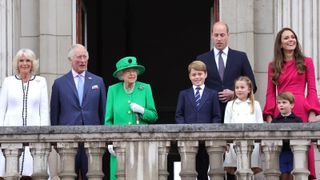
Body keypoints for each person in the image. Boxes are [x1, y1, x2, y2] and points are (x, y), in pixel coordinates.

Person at [263, 27, 320, 179]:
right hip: (280, 111)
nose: (291, 40)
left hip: (301, 109)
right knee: (282, 158)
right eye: (286, 38)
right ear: (280, 44)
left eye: (292, 37)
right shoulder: (273, 65)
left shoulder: (307, 62)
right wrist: (269, 115)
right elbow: (270, 92)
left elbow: (313, 89)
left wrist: (313, 112)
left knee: (302, 156)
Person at [50, 44, 106, 180]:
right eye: (79, 57)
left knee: (93, 177)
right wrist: (56, 141)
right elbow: (54, 114)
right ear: (70, 60)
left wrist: (104, 138)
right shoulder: (59, 83)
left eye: (85, 57)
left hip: (93, 140)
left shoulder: (98, 81)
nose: (82, 60)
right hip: (67, 140)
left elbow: (103, 112)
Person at [105, 56, 158, 180]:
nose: (132, 74)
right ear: (121, 74)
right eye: (128, 71)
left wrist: (142, 110)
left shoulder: (145, 88)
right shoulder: (113, 90)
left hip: (141, 143)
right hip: (119, 144)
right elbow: (108, 120)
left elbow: (154, 116)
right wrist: (110, 142)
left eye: (134, 71)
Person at [0, 48, 50, 179]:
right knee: (10, 174)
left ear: (33, 63)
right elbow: (1, 109)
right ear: (17, 63)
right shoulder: (8, 82)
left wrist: (45, 136)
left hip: (34, 135)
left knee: (33, 174)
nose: (24, 63)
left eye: (28, 60)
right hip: (10, 135)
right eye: (21, 60)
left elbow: (44, 111)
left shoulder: (41, 82)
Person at [196, 21, 257, 123]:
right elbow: (197, 87)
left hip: (236, 111)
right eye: (216, 35)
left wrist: (235, 94)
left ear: (228, 36)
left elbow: (252, 86)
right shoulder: (202, 59)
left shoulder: (240, 57)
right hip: (210, 113)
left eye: (222, 35)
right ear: (212, 36)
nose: (219, 39)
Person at [175, 60, 221, 179]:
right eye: (194, 74)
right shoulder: (184, 94)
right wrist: (184, 130)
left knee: (203, 171)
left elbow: (216, 116)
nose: (197, 77)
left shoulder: (212, 94)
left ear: (205, 74)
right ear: (189, 76)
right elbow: (179, 115)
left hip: (206, 140)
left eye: (200, 74)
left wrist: (211, 133)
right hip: (188, 139)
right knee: (188, 172)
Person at [223, 76, 263, 178]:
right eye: (237, 88)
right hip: (234, 144)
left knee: (249, 171)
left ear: (249, 89)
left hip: (253, 143)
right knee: (236, 170)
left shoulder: (256, 104)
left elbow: (260, 125)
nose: (239, 90)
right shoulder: (230, 104)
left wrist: (261, 143)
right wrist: (226, 143)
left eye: (242, 87)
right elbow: (226, 125)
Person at [272, 92, 303, 180]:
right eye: (279, 103)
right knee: (282, 174)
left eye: (284, 102)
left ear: (292, 105)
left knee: (293, 173)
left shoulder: (298, 120)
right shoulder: (275, 121)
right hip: (280, 153)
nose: (281, 105)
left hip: (294, 152)